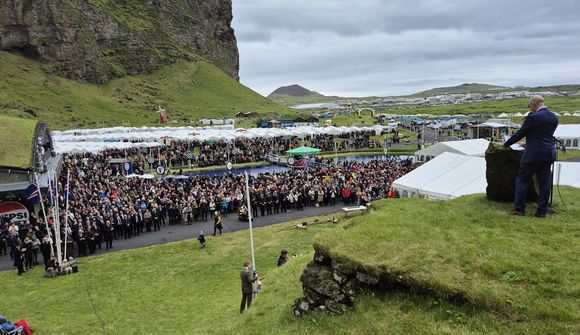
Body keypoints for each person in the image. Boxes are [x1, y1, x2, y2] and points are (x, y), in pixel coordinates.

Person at [504, 96, 559, 217]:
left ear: (534, 104)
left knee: (522, 180)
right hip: (548, 153)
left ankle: (519, 209)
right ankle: (542, 211)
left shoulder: (533, 117)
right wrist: (527, 143)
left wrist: (506, 143)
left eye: (530, 105)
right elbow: (543, 135)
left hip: (533, 154)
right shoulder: (554, 117)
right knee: (544, 183)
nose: (530, 108)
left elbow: (521, 133)